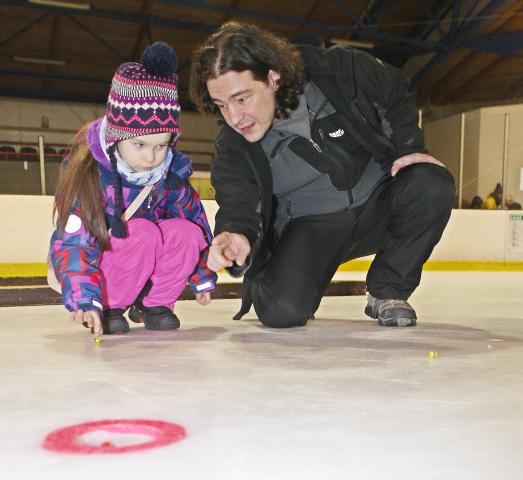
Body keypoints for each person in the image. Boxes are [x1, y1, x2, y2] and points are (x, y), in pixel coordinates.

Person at [190, 22, 455, 329]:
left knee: (431, 183)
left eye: (242, 99)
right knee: (281, 312)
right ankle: (282, 276)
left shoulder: (337, 71)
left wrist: (409, 146)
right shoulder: (234, 147)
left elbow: (395, 88)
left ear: (272, 78)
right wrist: (237, 234)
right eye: (222, 105)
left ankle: (388, 291)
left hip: (378, 204)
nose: (235, 118)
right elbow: (238, 202)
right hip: (311, 228)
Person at [50, 42, 217, 337]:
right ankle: (111, 305)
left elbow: (198, 227)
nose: (152, 158)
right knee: (142, 231)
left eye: (162, 146)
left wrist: (202, 274)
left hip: (143, 264)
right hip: (104, 271)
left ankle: (155, 304)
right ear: (116, 137)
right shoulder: (92, 176)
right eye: (140, 145)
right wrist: (84, 298)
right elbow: (74, 244)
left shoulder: (171, 175)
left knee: (185, 231)